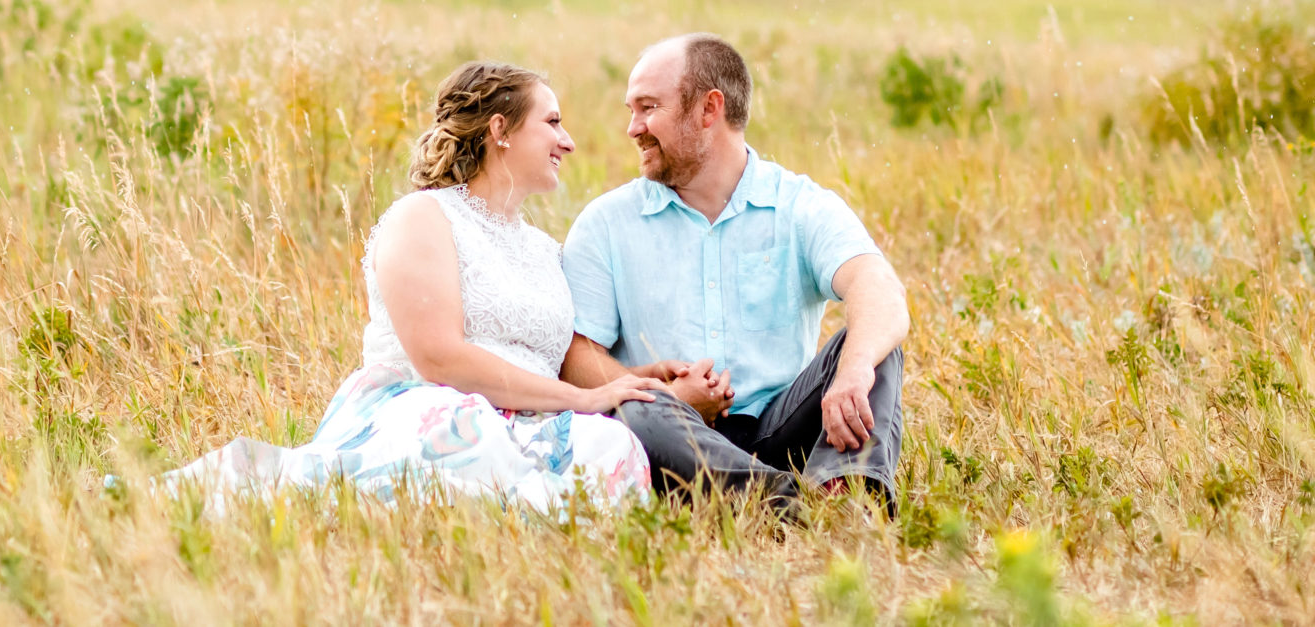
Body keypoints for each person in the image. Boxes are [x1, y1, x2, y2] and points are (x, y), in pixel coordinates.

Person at [170, 61, 714, 508]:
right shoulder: (424, 217)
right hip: (427, 402)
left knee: (610, 444)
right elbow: (440, 360)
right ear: (499, 130)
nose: (567, 142)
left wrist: (639, 378)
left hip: (530, 416)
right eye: (551, 122)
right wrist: (585, 398)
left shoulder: (547, 250)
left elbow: (552, 357)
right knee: (469, 435)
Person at [559, 33, 910, 505]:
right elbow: (576, 358)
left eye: (648, 108)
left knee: (871, 346)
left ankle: (846, 492)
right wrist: (666, 393)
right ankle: (790, 504)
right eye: (631, 110)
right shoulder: (605, 223)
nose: (633, 128)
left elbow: (879, 289)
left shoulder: (798, 205)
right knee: (635, 407)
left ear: (709, 109)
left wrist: (853, 372)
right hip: (673, 439)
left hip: (783, 429)